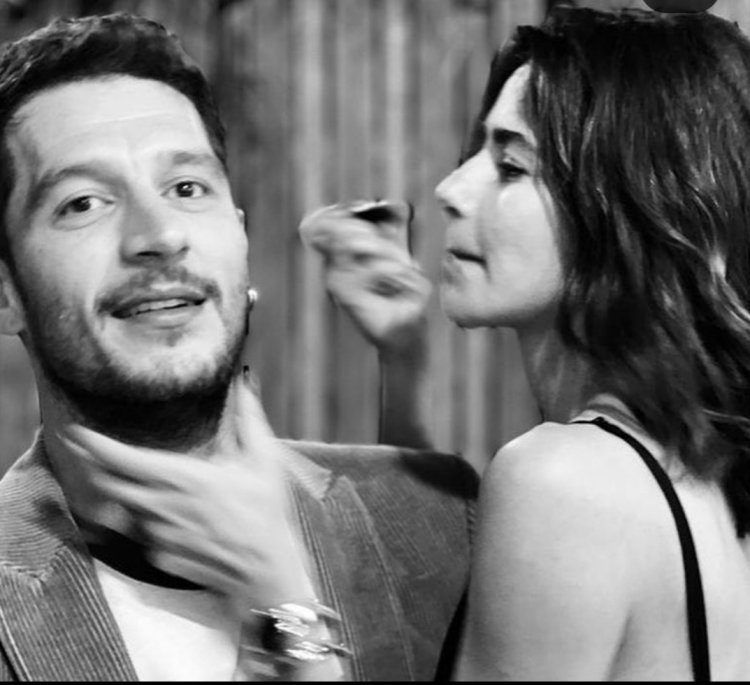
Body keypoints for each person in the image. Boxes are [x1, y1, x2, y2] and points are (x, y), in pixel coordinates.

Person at [0, 12, 479, 681]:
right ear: (6, 292)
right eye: (83, 203)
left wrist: (276, 593)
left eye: (186, 188)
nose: (159, 235)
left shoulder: (439, 521)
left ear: (240, 236)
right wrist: (285, 620)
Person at [305, 6, 750, 681]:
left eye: (511, 166)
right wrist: (403, 361)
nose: (451, 189)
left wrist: (271, 591)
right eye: (475, 153)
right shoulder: (696, 477)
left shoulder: (564, 482)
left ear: (625, 204)